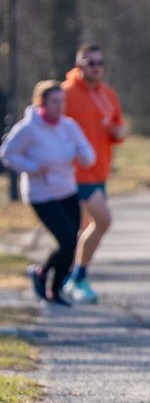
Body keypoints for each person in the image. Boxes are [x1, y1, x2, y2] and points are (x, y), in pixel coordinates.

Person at [1, 81, 95, 306]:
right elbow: (7, 153)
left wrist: (83, 156)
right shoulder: (28, 128)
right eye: (54, 102)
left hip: (67, 189)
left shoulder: (68, 126)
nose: (60, 106)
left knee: (72, 241)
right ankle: (48, 281)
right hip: (41, 194)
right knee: (66, 239)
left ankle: (50, 282)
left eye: (62, 101)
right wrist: (32, 167)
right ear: (41, 103)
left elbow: (87, 152)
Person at [61, 44, 126, 304]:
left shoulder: (108, 93)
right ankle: (77, 276)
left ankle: (64, 279)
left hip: (100, 171)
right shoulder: (65, 94)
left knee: (81, 229)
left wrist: (118, 133)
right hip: (74, 173)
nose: (95, 67)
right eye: (90, 63)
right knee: (103, 221)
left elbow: (117, 124)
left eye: (99, 63)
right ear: (79, 65)